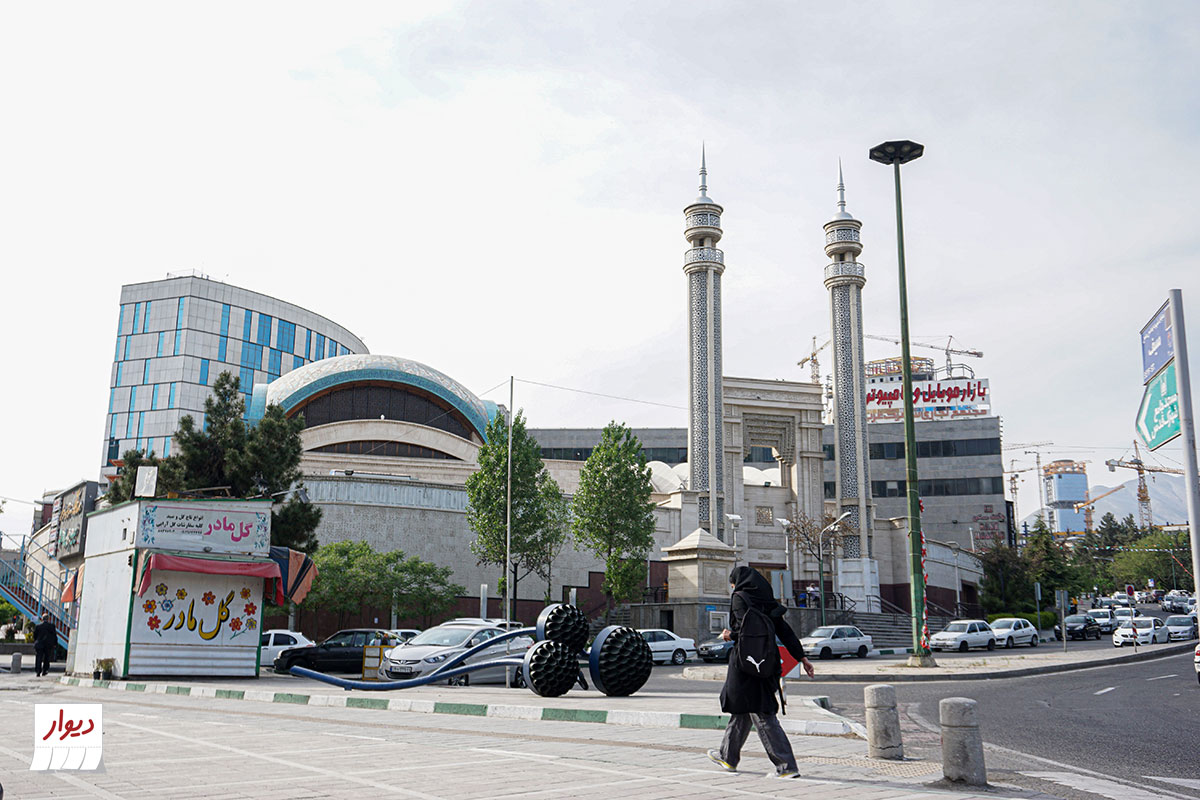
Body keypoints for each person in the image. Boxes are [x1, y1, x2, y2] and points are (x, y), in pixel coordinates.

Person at [707, 566, 814, 778]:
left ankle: (786, 766)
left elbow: (744, 630)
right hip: (768, 661)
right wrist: (802, 657)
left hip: (746, 662)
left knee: (762, 712)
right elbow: (785, 632)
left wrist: (729, 635)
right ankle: (728, 757)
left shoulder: (740, 597)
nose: (732, 587)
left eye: (732, 583)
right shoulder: (768, 601)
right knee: (742, 708)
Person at [33, 613, 57, 677]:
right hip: (48, 644)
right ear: (48, 619)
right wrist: (54, 643)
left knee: (39, 657)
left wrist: (36, 641)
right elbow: (54, 635)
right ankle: (45, 670)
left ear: (42, 619)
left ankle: (38, 671)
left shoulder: (38, 626)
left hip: (39, 644)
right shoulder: (51, 626)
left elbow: (35, 636)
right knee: (47, 657)